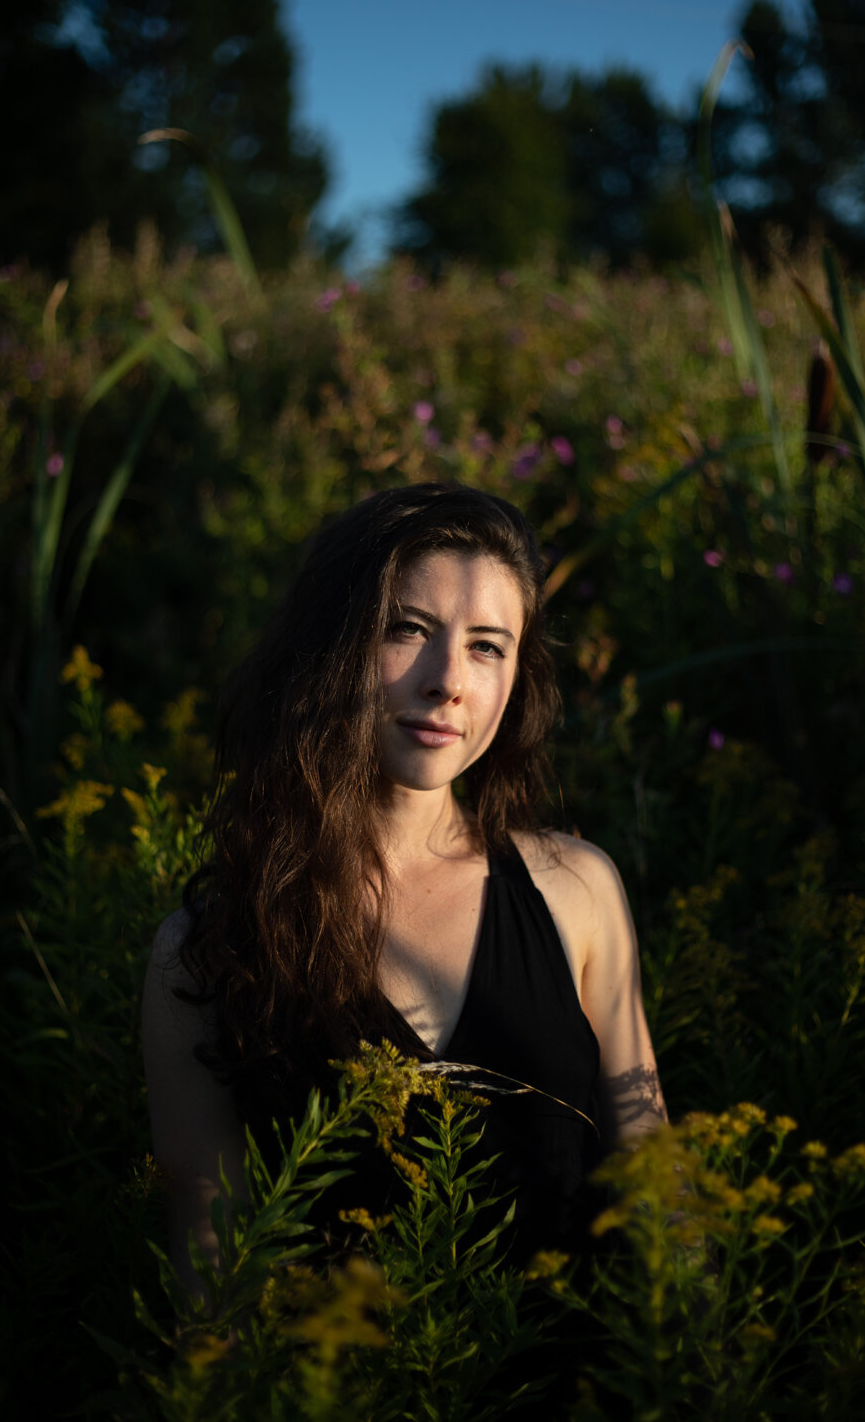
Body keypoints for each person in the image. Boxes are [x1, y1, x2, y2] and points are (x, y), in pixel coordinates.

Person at [142, 482, 667, 1302]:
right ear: (332, 648)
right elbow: (213, 1262)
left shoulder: (577, 891)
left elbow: (653, 1175)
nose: (448, 681)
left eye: (489, 646)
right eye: (407, 630)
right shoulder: (208, 950)